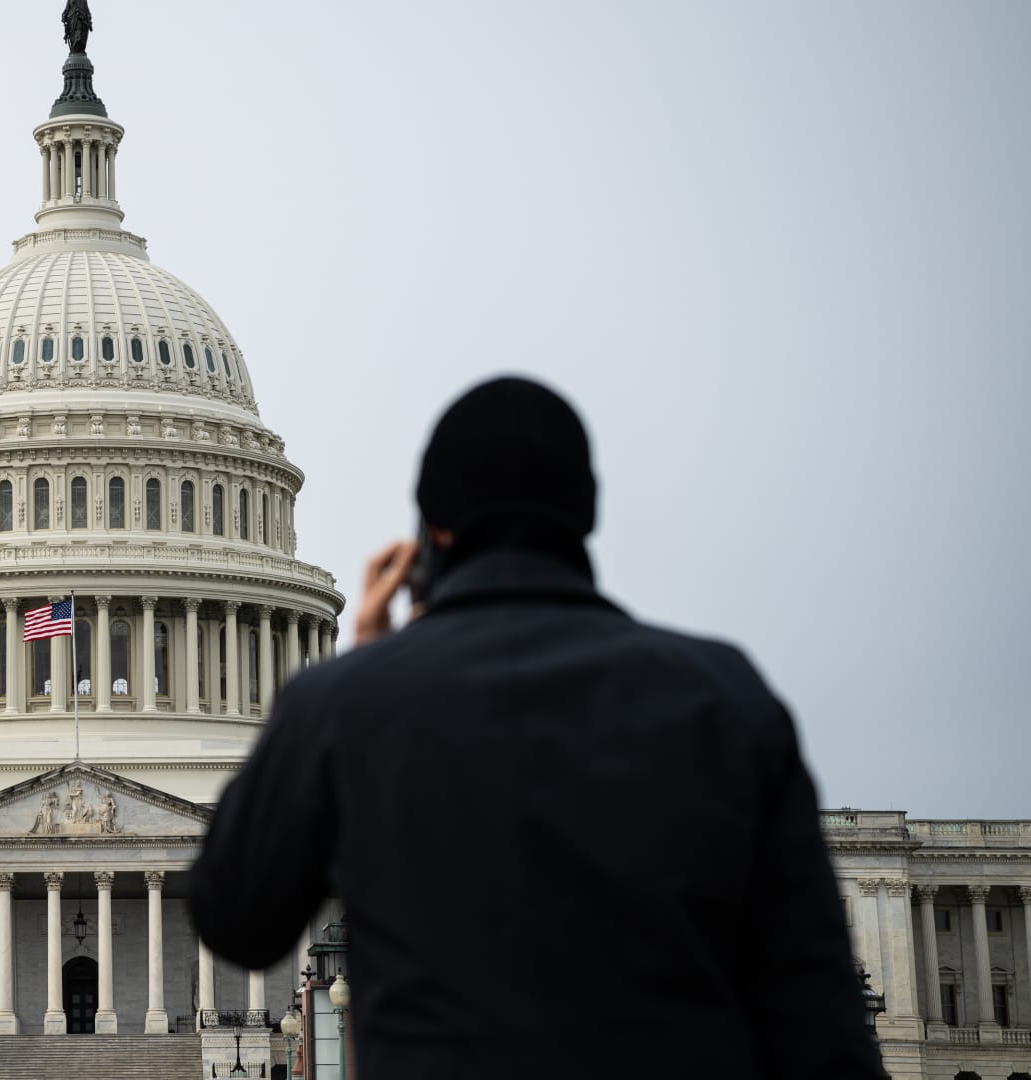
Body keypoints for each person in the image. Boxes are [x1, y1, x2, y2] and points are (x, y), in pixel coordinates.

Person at [191, 376, 883, 1078]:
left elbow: (235, 916)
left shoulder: (348, 710)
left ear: (431, 539)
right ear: (584, 516)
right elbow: (821, 1023)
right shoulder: (725, 700)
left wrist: (351, 685)